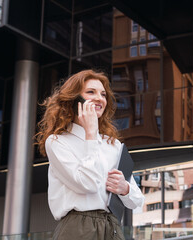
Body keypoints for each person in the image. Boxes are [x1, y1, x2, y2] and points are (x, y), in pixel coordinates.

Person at [36, 69, 145, 240]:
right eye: (90, 92)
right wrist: (91, 134)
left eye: (103, 94)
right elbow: (87, 185)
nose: (99, 98)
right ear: (74, 99)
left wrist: (125, 189)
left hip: (113, 226)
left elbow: (137, 200)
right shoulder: (57, 142)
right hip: (78, 227)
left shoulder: (113, 144)